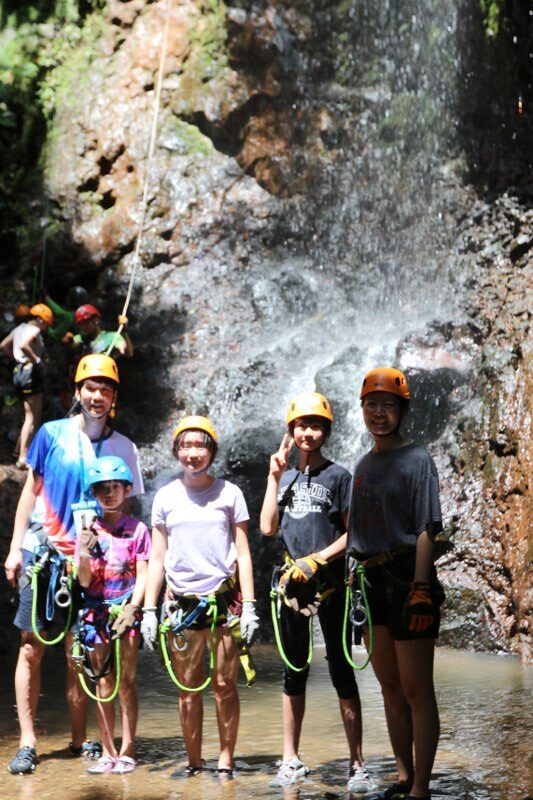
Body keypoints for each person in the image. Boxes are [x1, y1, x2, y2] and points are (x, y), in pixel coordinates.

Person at [3, 353, 144, 775]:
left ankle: (82, 739)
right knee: (30, 646)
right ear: (77, 391)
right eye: (91, 388)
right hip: (44, 551)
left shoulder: (124, 448)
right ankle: (28, 741)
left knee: (77, 652)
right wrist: (14, 548)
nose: (97, 396)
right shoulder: (50, 433)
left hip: (95, 561)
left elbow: (128, 511)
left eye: (106, 389)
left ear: (114, 396)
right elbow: (32, 492)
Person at [260, 391, 374, 792]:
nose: (307, 432)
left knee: (342, 670)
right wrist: (274, 477)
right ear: (290, 429)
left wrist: (318, 559)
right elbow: (267, 528)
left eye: (315, 425)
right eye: (301, 425)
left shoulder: (340, 477)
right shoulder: (285, 477)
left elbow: (353, 532)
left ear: (326, 430)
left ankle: (357, 763)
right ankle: (290, 758)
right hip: (293, 586)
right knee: (294, 671)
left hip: (331, 584)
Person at [141, 415, 259, 777]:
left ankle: (225, 759)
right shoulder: (165, 497)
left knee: (224, 686)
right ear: (176, 451)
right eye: (185, 446)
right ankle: (194, 761)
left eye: (200, 445)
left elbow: (242, 552)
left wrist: (251, 606)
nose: (193, 453)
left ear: (212, 451)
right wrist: (148, 609)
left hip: (223, 601)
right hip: (182, 605)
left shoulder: (230, 494)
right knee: (187, 690)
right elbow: (157, 558)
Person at [347, 368, 445, 800]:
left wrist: (421, 586)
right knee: (389, 687)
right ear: (362, 409)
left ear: (403, 410)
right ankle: (403, 776)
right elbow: (356, 532)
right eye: (372, 405)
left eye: (389, 405)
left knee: (416, 688)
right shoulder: (363, 464)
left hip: (407, 578)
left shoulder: (417, 458)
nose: (379, 413)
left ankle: (421, 787)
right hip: (370, 582)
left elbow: (427, 527)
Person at [75, 455, 151, 775]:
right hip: (97, 615)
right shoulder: (88, 530)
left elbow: (144, 573)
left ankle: (128, 749)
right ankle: (108, 751)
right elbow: (83, 581)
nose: (109, 494)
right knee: (102, 682)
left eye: (115, 487)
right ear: (94, 493)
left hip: (126, 613)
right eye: (102, 488)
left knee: (127, 682)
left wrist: (135, 607)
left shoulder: (137, 530)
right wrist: (82, 549)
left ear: (127, 489)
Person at [0, 303, 53, 468]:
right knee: (32, 418)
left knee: (25, 415)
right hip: (31, 375)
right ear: (39, 319)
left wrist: (17, 361)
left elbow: (3, 346)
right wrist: (35, 360)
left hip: (18, 374)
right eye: (45, 323)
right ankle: (23, 457)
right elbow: (24, 346)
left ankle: (18, 450)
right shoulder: (34, 329)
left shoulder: (19, 328)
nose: (44, 328)